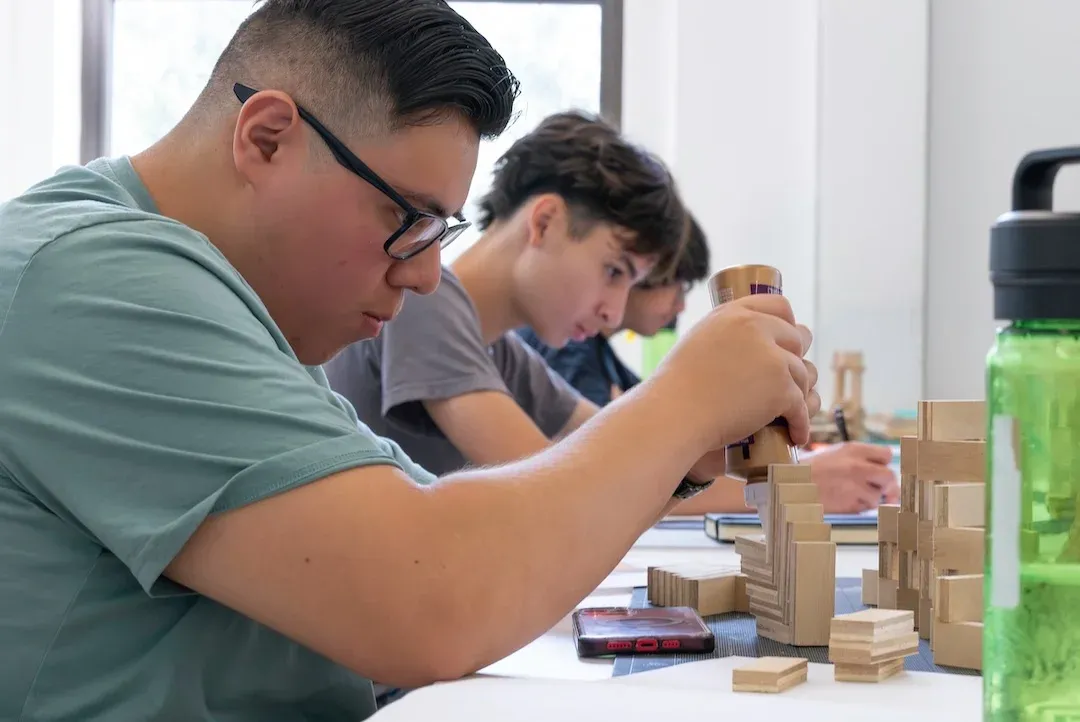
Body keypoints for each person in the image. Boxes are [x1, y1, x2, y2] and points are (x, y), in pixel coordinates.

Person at [0, 1, 820, 720]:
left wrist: (675, 452)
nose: (426, 274)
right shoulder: (92, 278)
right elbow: (435, 598)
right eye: (409, 220)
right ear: (269, 137)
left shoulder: (242, 306)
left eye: (440, 234)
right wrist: (680, 406)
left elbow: (454, 528)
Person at [324, 109, 690, 477]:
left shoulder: (505, 356)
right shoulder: (424, 301)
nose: (614, 312)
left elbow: (626, 457)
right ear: (545, 222)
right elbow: (554, 490)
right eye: (613, 271)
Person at [516, 217, 899, 514]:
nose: (682, 306)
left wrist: (703, 455)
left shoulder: (598, 359)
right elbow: (596, 484)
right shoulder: (565, 349)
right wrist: (796, 481)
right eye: (678, 287)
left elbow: (623, 463)